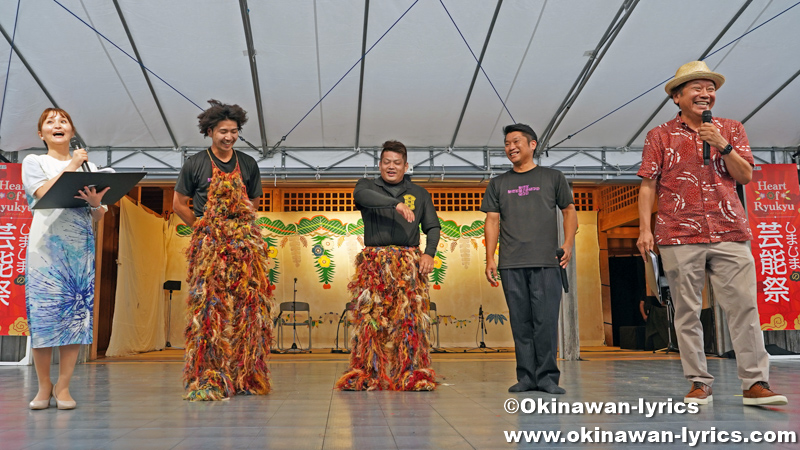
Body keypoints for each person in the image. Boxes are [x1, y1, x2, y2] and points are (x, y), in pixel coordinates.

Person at [636, 61, 787, 406]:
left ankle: (755, 383)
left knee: (745, 307)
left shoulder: (731, 129)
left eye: (710, 89)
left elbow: (746, 176)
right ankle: (699, 382)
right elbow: (647, 185)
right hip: (677, 232)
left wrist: (722, 144)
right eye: (696, 88)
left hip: (729, 230)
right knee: (687, 311)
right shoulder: (659, 135)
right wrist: (645, 230)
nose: (706, 94)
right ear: (677, 97)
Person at [173, 100, 273, 401]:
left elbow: (254, 202)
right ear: (209, 132)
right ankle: (208, 375)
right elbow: (179, 203)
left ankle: (247, 374)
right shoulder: (195, 163)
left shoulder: (248, 164)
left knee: (249, 309)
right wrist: (202, 226)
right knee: (209, 310)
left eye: (234, 132)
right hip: (210, 243)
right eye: (222, 132)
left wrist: (239, 225)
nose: (228, 137)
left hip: (244, 244)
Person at [22, 108, 109, 410]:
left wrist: (97, 204)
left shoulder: (90, 166)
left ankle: (64, 386)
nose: (57, 125)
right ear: (41, 133)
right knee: (45, 317)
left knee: (75, 318)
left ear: (71, 131)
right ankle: (44, 385)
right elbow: (43, 192)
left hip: (79, 249)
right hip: (44, 249)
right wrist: (73, 163)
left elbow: (97, 215)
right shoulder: (34, 162)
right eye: (50, 122)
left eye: (63, 121)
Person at [335, 140, 440, 391]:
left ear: (406, 166)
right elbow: (361, 196)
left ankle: (411, 373)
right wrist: (396, 204)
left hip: (408, 265)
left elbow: (433, 227)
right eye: (386, 162)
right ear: (380, 164)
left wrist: (429, 254)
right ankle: (367, 373)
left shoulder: (420, 194)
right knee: (370, 321)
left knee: (409, 321)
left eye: (397, 163)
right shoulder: (367, 186)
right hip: (375, 264)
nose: (391, 167)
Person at [481, 123, 577, 394]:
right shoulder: (499, 183)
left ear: (532, 144)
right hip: (511, 263)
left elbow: (569, 212)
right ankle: (525, 376)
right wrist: (490, 258)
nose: (510, 147)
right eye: (507, 144)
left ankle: (547, 377)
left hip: (547, 261)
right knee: (520, 321)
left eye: (516, 142)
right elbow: (492, 221)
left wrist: (568, 244)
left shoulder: (552, 177)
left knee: (545, 321)